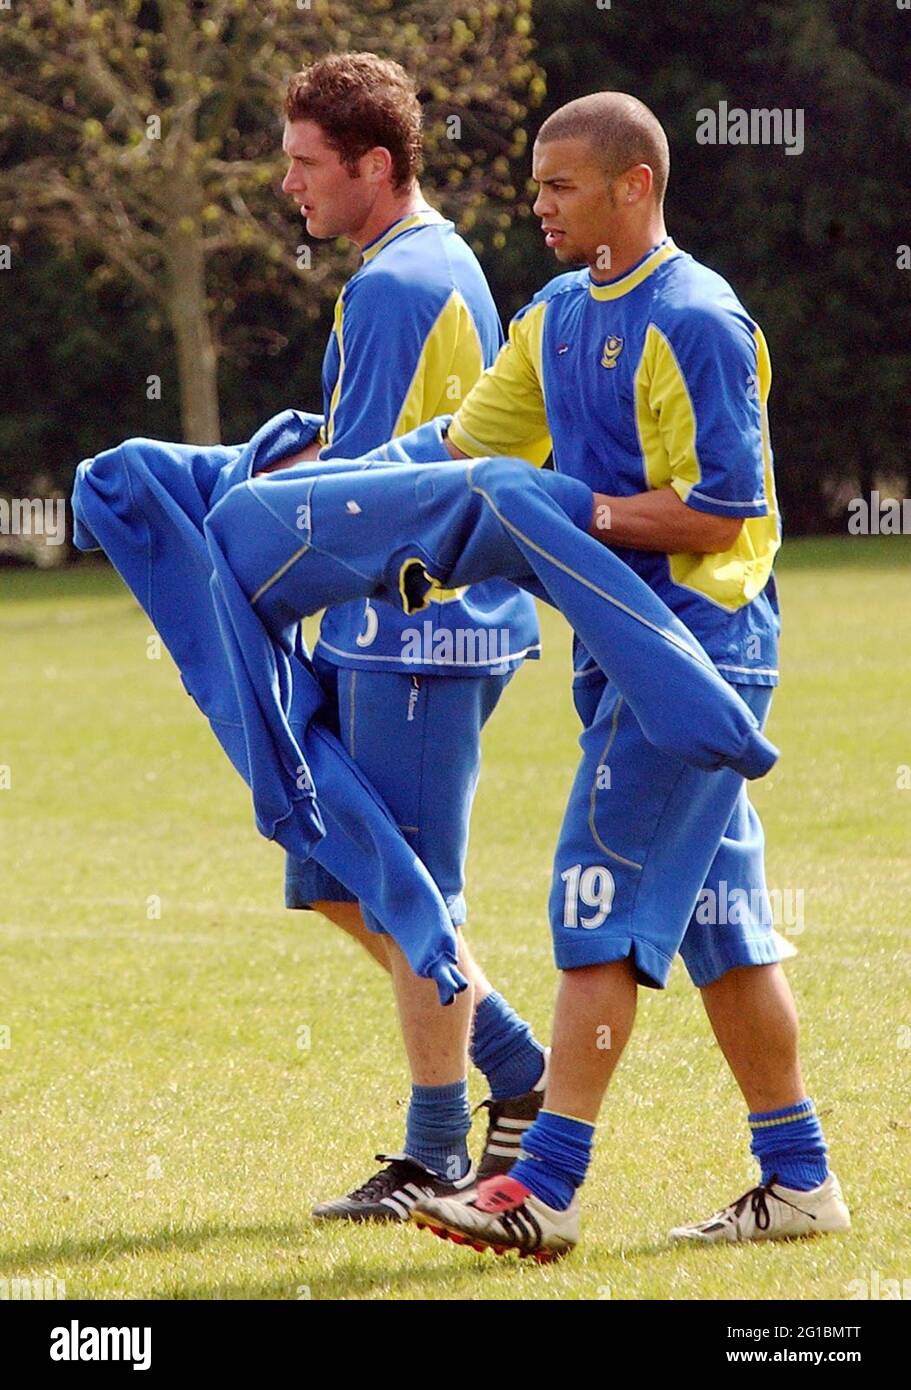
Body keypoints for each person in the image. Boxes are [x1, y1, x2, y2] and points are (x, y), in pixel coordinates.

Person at [410, 92, 850, 1257]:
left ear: (632, 187)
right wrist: (312, 482)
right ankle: (798, 1180)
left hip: (695, 660)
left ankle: (542, 1191)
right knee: (722, 928)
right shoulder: (554, 316)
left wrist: (576, 510)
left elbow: (721, 511)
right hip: (623, 656)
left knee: (593, 905)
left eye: (557, 185)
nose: (537, 204)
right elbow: (454, 447)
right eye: (537, 185)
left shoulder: (698, 317)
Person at [268, 54, 550, 1219]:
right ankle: (518, 1060)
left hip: (422, 633)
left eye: (302, 163)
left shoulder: (396, 283)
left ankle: (435, 1152)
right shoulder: (412, 264)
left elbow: (367, 489)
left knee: (410, 894)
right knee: (335, 871)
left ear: (371, 165)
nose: (286, 185)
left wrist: (257, 510)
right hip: (385, 627)